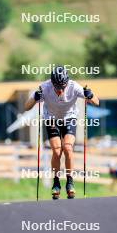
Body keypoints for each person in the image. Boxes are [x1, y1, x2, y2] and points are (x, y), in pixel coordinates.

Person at [25, 66, 99, 199]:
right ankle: (56, 182)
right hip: (51, 119)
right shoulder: (45, 87)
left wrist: (90, 95)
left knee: (68, 148)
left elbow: (96, 102)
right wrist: (35, 97)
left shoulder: (74, 87)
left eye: (62, 86)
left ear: (67, 82)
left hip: (69, 118)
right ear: (52, 83)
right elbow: (26, 107)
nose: (60, 90)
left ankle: (70, 182)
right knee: (57, 151)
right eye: (57, 86)